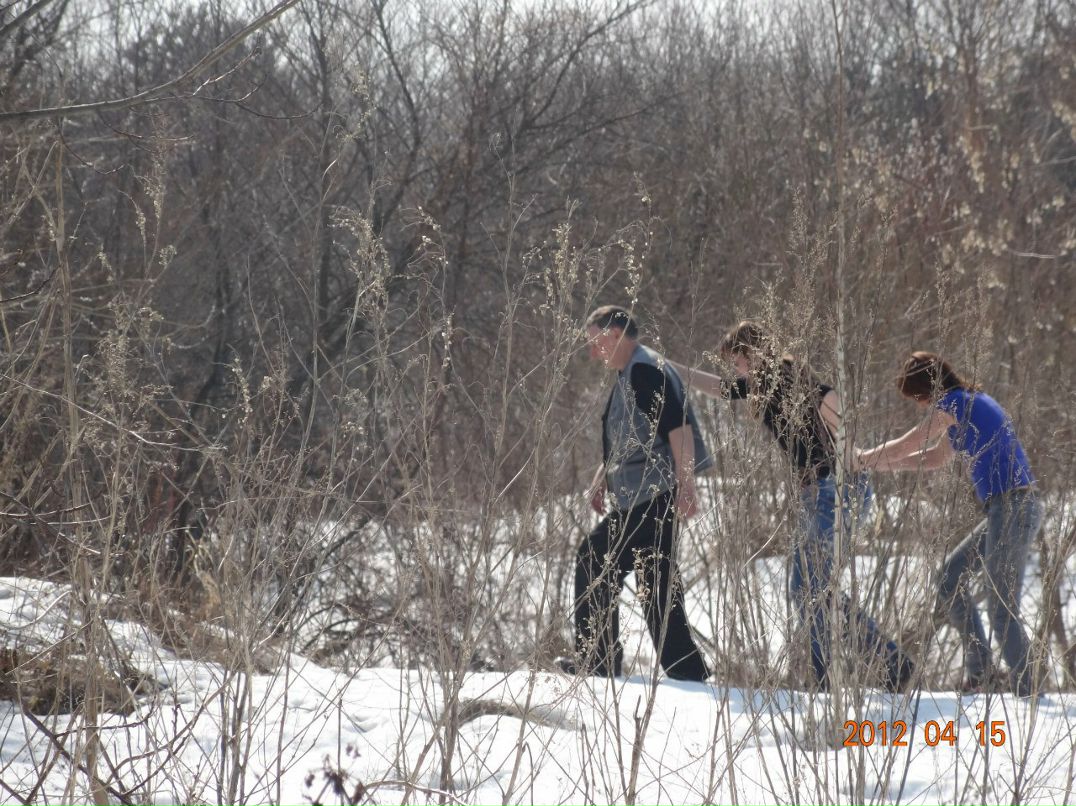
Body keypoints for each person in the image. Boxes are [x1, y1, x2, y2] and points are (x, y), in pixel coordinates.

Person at [670, 321, 913, 692]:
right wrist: (672, 368)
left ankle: (841, 674)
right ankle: (876, 666)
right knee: (812, 590)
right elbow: (721, 389)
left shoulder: (785, 377)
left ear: (753, 354)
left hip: (835, 491)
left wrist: (848, 447)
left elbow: (831, 399)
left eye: (737, 361)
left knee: (810, 590)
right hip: (820, 493)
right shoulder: (764, 383)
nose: (736, 370)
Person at [856, 351, 1043, 697]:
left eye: (918, 397)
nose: (920, 405)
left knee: (1001, 608)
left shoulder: (957, 402)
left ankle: (1028, 692)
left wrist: (862, 458)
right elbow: (935, 457)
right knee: (948, 579)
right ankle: (982, 673)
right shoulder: (969, 402)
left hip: (1014, 506)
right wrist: (879, 465)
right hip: (1004, 509)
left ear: (927, 389)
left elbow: (912, 441)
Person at [559, 305, 713, 681]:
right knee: (656, 583)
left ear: (615, 334)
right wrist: (603, 477)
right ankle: (687, 671)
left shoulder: (644, 370)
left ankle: (597, 660)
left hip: (653, 494)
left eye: (595, 343)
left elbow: (678, 429)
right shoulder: (635, 369)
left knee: (594, 559)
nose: (592, 352)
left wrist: (687, 485)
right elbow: (631, 437)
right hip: (647, 494)